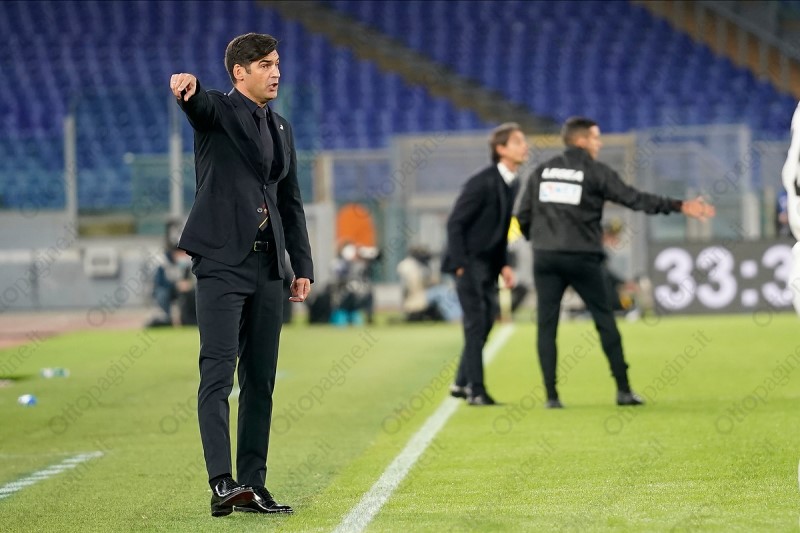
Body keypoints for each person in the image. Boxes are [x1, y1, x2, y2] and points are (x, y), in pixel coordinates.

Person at [170, 32, 313, 517]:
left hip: (269, 267)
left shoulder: (283, 127)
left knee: (261, 380)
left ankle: (253, 485)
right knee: (217, 374)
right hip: (221, 264)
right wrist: (188, 89)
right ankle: (221, 483)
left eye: (277, 63)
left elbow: (290, 202)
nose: (276, 72)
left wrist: (301, 266)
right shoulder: (217, 110)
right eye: (266, 65)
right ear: (240, 72)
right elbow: (199, 107)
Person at [515, 116, 714, 409]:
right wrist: (679, 205)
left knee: (546, 325)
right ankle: (623, 391)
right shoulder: (596, 172)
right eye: (595, 137)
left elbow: (522, 216)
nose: (599, 143)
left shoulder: (541, 172)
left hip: (546, 257)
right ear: (581, 140)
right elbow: (634, 199)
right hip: (582, 257)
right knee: (604, 319)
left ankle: (551, 397)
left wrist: (541, 240)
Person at [441, 123, 528, 406]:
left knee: (487, 320)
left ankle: (461, 382)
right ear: (500, 149)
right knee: (476, 323)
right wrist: (460, 264)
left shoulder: (513, 182)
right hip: (468, 262)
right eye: (517, 142)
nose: (524, 146)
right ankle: (476, 391)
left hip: (489, 264)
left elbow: (501, 228)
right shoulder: (482, 181)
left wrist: (504, 264)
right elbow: (455, 222)